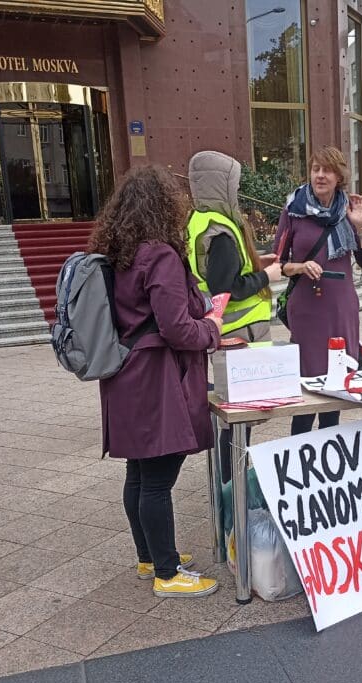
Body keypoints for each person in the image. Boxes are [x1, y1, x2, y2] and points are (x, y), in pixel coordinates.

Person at [95, 165, 222, 599]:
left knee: (139, 473)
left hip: (126, 374)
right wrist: (213, 329)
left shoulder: (120, 254)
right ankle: (168, 574)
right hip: (156, 379)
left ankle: (149, 556)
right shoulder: (161, 255)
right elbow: (178, 329)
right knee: (157, 480)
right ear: (165, 208)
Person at [186, 151, 283, 483]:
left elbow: (215, 276)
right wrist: (267, 276)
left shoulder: (199, 221)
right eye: (234, 184)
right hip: (241, 340)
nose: (238, 191)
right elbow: (226, 287)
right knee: (239, 422)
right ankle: (233, 488)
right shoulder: (223, 233)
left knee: (229, 421)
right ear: (222, 185)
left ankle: (228, 482)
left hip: (225, 336)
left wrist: (258, 263)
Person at [273, 146, 362, 435]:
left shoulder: (348, 211)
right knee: (308, 390)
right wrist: (300, 266)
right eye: (316, 168)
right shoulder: (293, 209)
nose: (320, 175)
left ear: (339, 176)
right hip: (307, 311)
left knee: (335, 390)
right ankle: (301, 457)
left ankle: (328, 457)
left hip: (341, 310)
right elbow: (277, 263)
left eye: (327, 170)